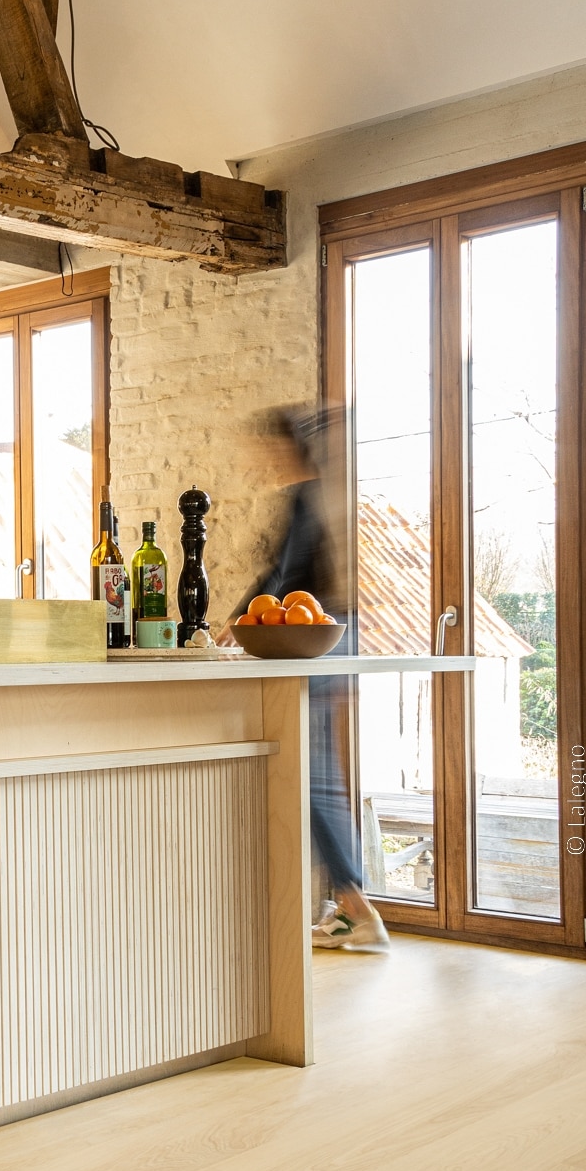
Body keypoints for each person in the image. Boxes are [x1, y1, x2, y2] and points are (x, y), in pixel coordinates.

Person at [228, 406, 390, 954]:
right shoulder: (326, 495)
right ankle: (347, 908)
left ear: (285, 449)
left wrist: (239, 619)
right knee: (320, 775)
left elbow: (284, 577)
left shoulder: (305, 496)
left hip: (314, 641)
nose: (264, 460)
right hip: (339, 634)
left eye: (268, 450)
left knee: (313, 777)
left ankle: (357, 909)